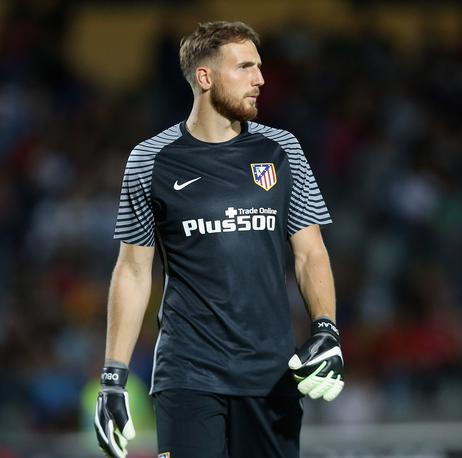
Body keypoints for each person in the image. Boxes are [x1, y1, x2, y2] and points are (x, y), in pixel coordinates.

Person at [93, 21, 344, 458]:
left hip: (271, 376)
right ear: (204, 78)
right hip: (187, 375)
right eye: (245, 67)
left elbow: (310, 252)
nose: (260, 79)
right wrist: (114, 377)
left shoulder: (282, 150)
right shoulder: (150, 160)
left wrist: (327, 330)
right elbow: (133, 270)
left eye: (259, 67)